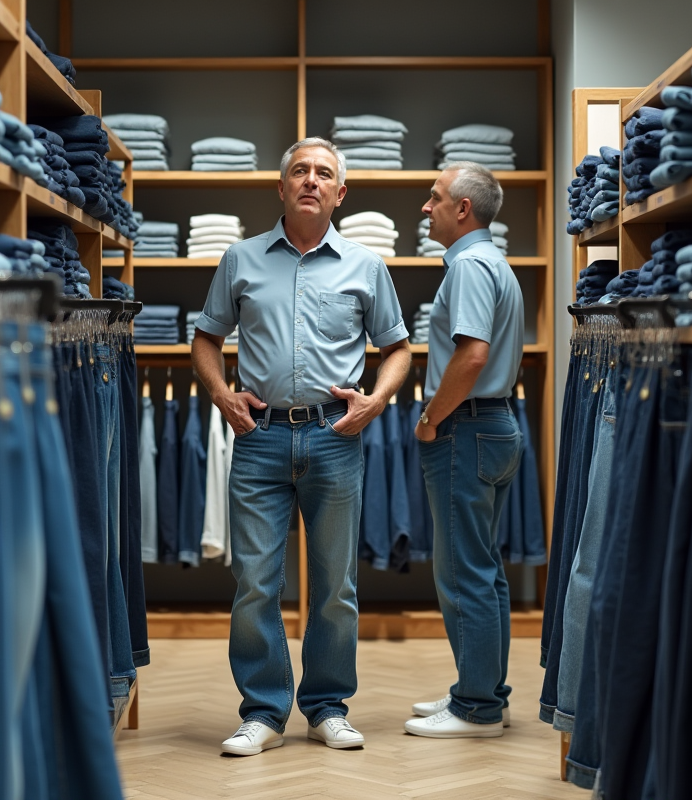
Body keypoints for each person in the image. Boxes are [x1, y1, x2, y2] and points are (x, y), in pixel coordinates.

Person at [191, 137, 411, 756]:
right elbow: (205, 338)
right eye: (299, 171)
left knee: (336, 583)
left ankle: (326, 706)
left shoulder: (366, 266)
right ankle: (262, 711)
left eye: (323, 174)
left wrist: (376, 400)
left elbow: (398, 349)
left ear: (340, 193)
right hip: (259, 438)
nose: (310, 180)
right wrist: (220, 394)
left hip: (334, 437)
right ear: (281, 187)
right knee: (255, 582)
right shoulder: (240, 259)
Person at [404, 162, 524, 739]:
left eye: (434, 198)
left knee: (462, 574)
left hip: (466, 429)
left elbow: (471, 357)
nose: (425, 208)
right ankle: (484, 693)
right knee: (485, 570)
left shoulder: (470, 267)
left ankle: (475, 707)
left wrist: (430, 418)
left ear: (463, 209)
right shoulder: (493, 262)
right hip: (495, 425)